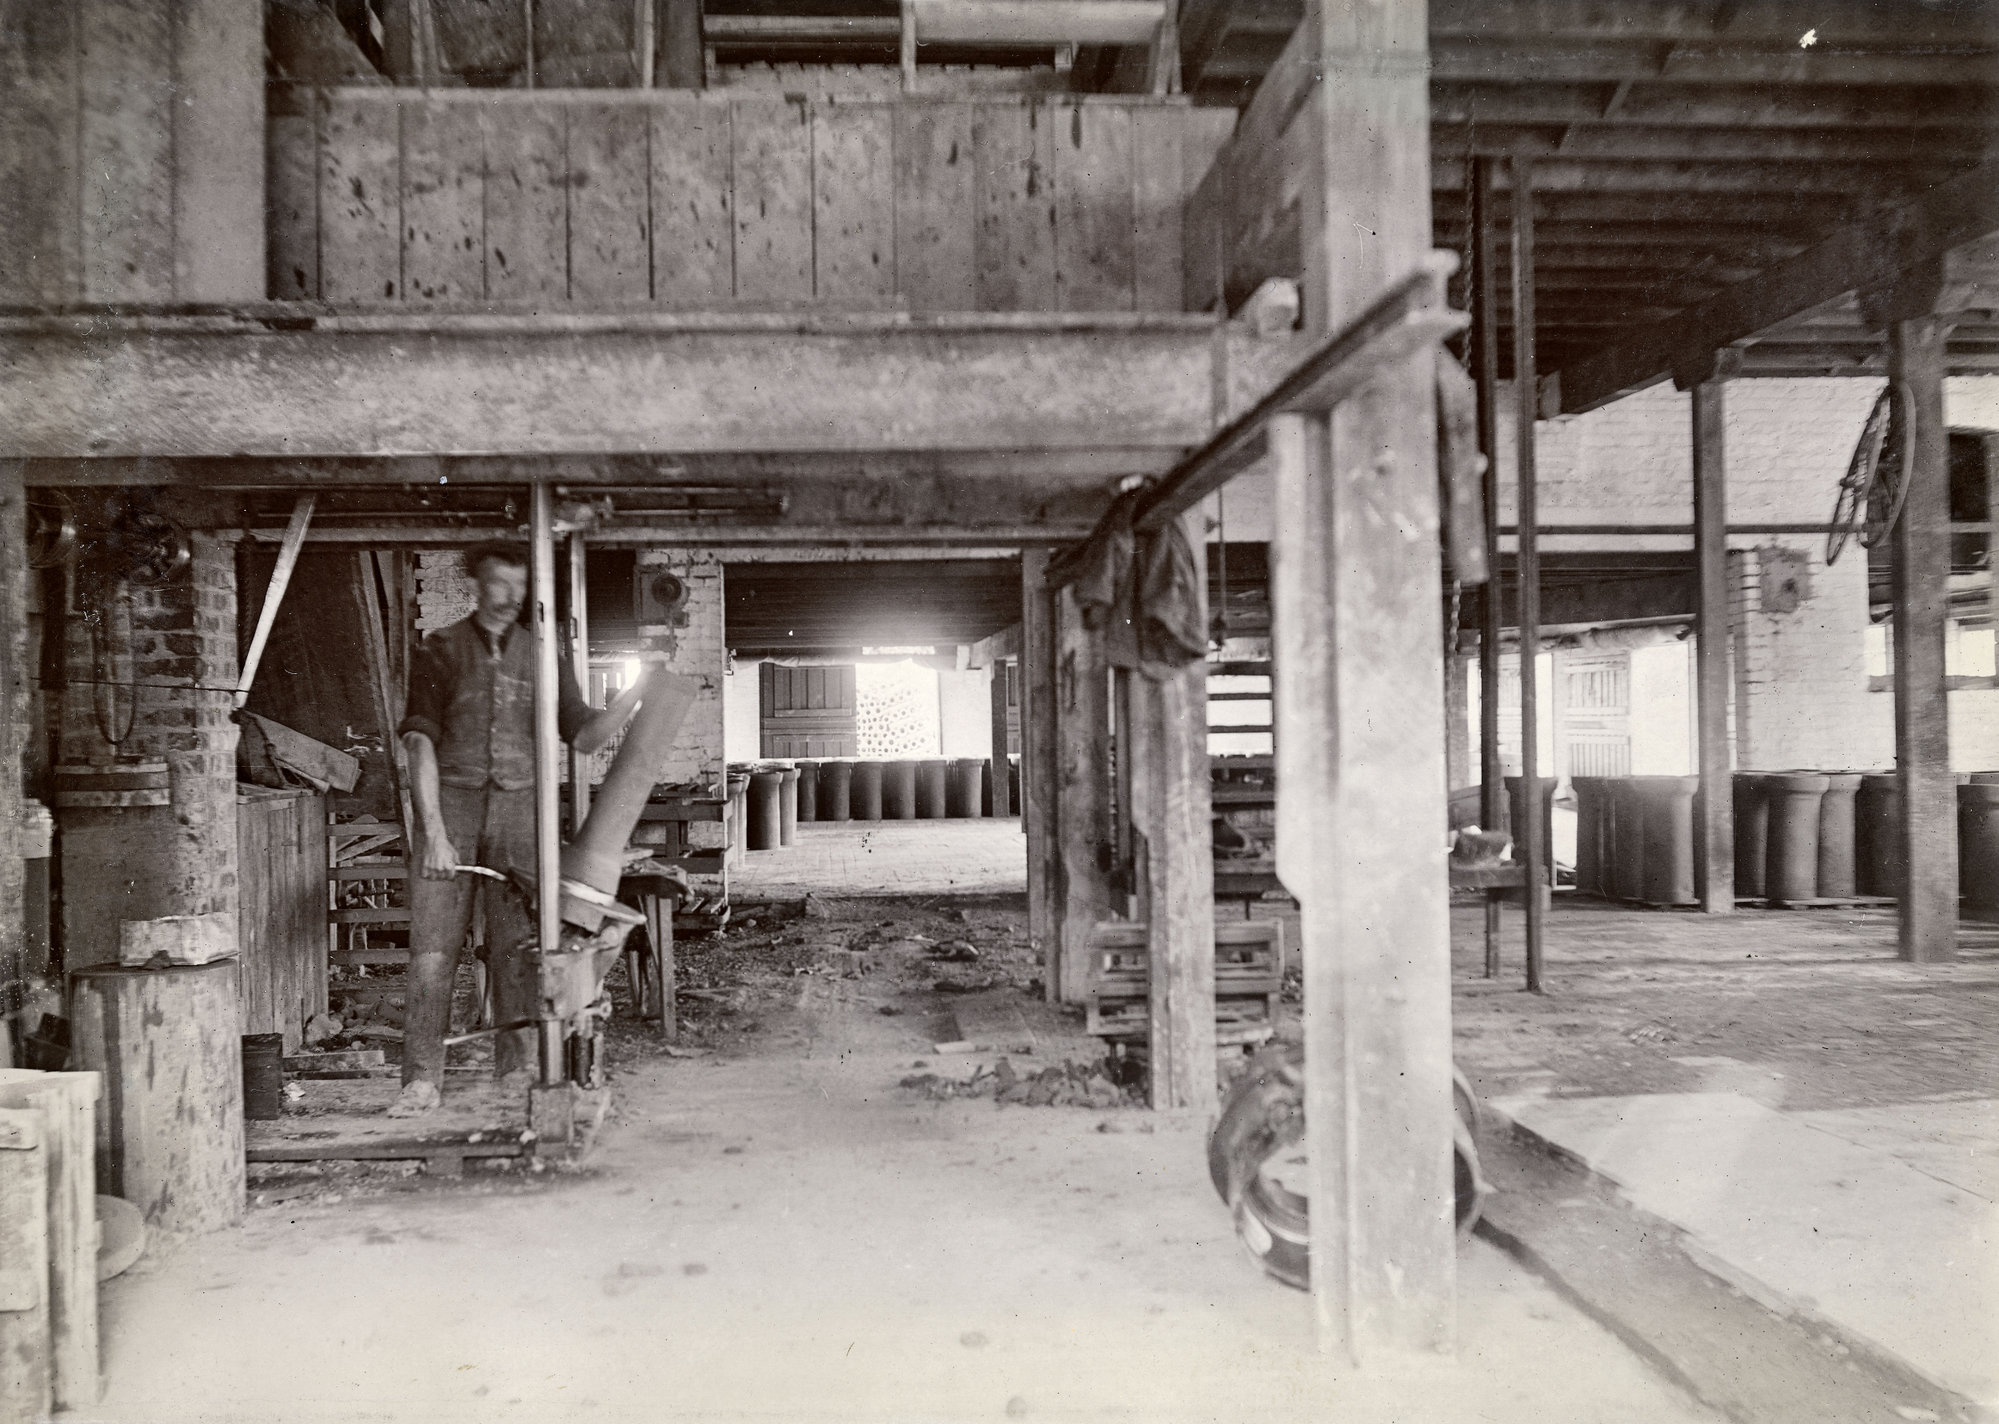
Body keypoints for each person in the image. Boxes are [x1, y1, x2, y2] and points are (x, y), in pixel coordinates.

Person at [391, 541, 641, 1116]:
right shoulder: (441, 649)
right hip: (451, 805)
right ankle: (421, 1080)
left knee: (516, 948)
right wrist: (433, 832)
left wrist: (635, 692)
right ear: (478, 584)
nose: (512, 597)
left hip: (521, 811)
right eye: (500, 584)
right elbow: (420, 744)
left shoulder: (542, 655)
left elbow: (583, 736)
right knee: (433, 948)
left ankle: (517, 1067)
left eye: (520, 586)